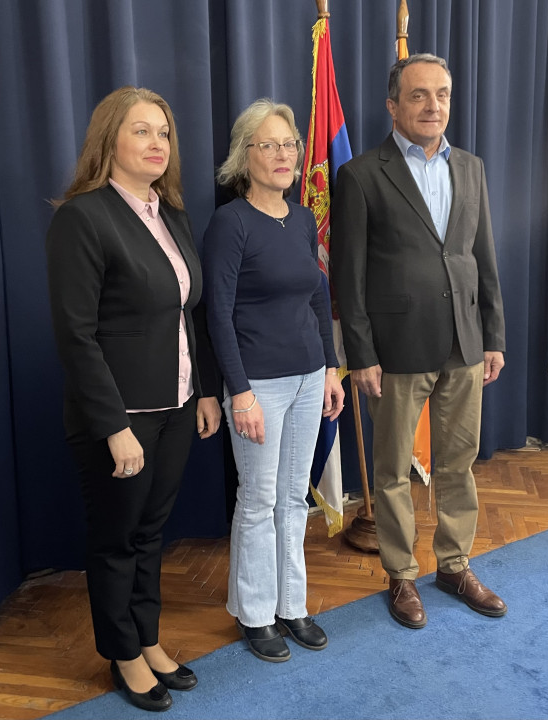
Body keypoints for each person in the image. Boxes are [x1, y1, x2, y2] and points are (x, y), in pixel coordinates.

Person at [45, 86, 221, 712]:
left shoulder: (171, 215)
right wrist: (113, 426)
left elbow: (190, 314)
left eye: (163, 133)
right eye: (141, 131)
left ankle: (147, 638)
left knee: (151, 533)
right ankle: (122, 653)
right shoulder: (82, 218)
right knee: (117, 539)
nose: (156, 143)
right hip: (119, 417)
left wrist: (204, 392)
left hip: (177, 406)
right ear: (109, 140)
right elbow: (76, 334)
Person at [331, 54, 507, 630]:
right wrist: (361, 355)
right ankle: (401, 575)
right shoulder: (361, 175)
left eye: (442, 94)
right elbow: (348, 278)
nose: (433, 106)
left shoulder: (472, 168)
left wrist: (493, 337)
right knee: (391, 472)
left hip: (465, 341)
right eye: (419, 95)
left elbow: (482, 258)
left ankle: (454, 566)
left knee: (459, 462)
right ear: (393, 105)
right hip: (395, 350)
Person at [203, 99, 345, 662]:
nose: (284, 155)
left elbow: (317, 296)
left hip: (310, 377)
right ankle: (256, 613)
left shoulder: (304, 218)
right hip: (257, 385)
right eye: (270, 145)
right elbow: (217, 314)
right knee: (259, 500)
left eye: (290, 144)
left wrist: (330, 367)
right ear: (245, 156)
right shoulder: (231, 223)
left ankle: (292, 605)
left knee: (292, 497)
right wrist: (239, 393)